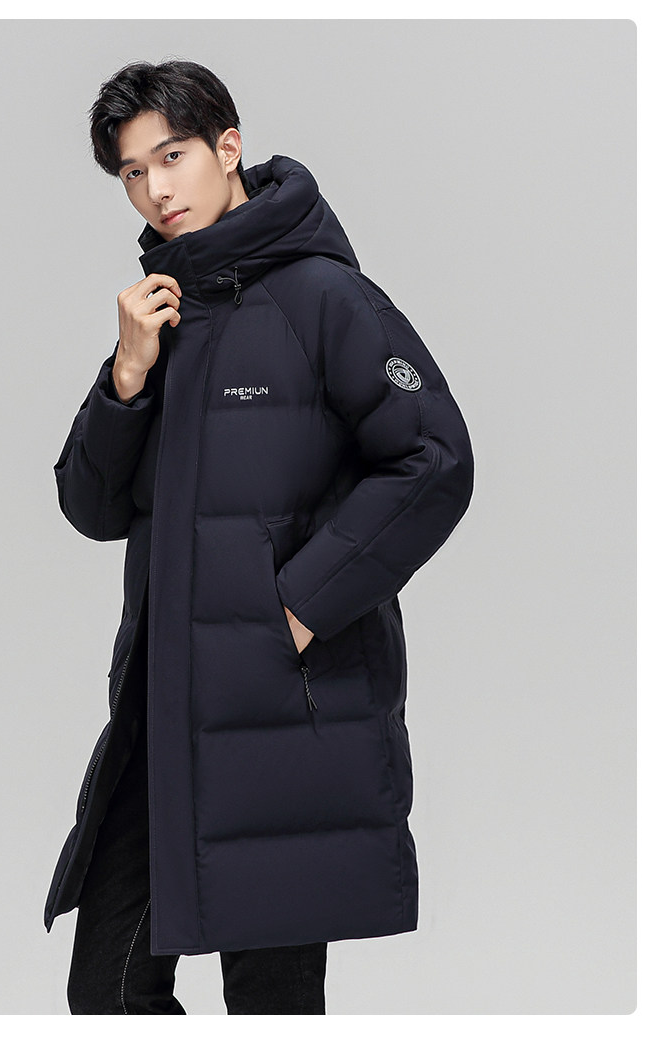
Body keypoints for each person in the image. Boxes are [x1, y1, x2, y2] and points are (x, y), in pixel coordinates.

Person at [46, 58, 474, 1015]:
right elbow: (90, 507)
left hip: (282, 714)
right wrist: (126, 378)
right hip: (167, 712)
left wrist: (298, 607)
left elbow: (435, 458)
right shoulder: (163, 314)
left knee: (272, 1003)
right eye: (131, 172)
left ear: (228, 146)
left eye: (173, 157)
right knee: (108, 990)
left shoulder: (322, 297)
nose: (155, 190)